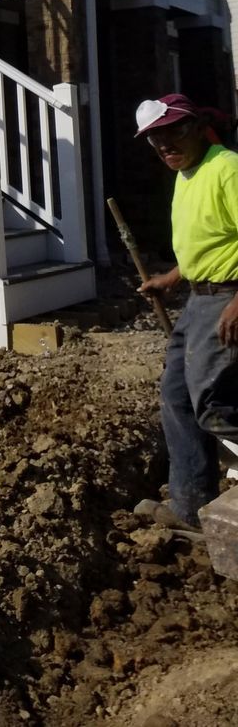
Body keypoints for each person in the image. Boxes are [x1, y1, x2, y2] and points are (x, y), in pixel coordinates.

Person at [135, 93, 238, 531]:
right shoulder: (188, 173)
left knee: (214, 404)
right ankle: (191, 506)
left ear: (195, 126)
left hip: (227, 297)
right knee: (176, 396)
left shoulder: (226, 168)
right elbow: (212, 239)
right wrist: (173, 278)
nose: (166, 145)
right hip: (199, 298)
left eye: (173, 131)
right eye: (156, 139)